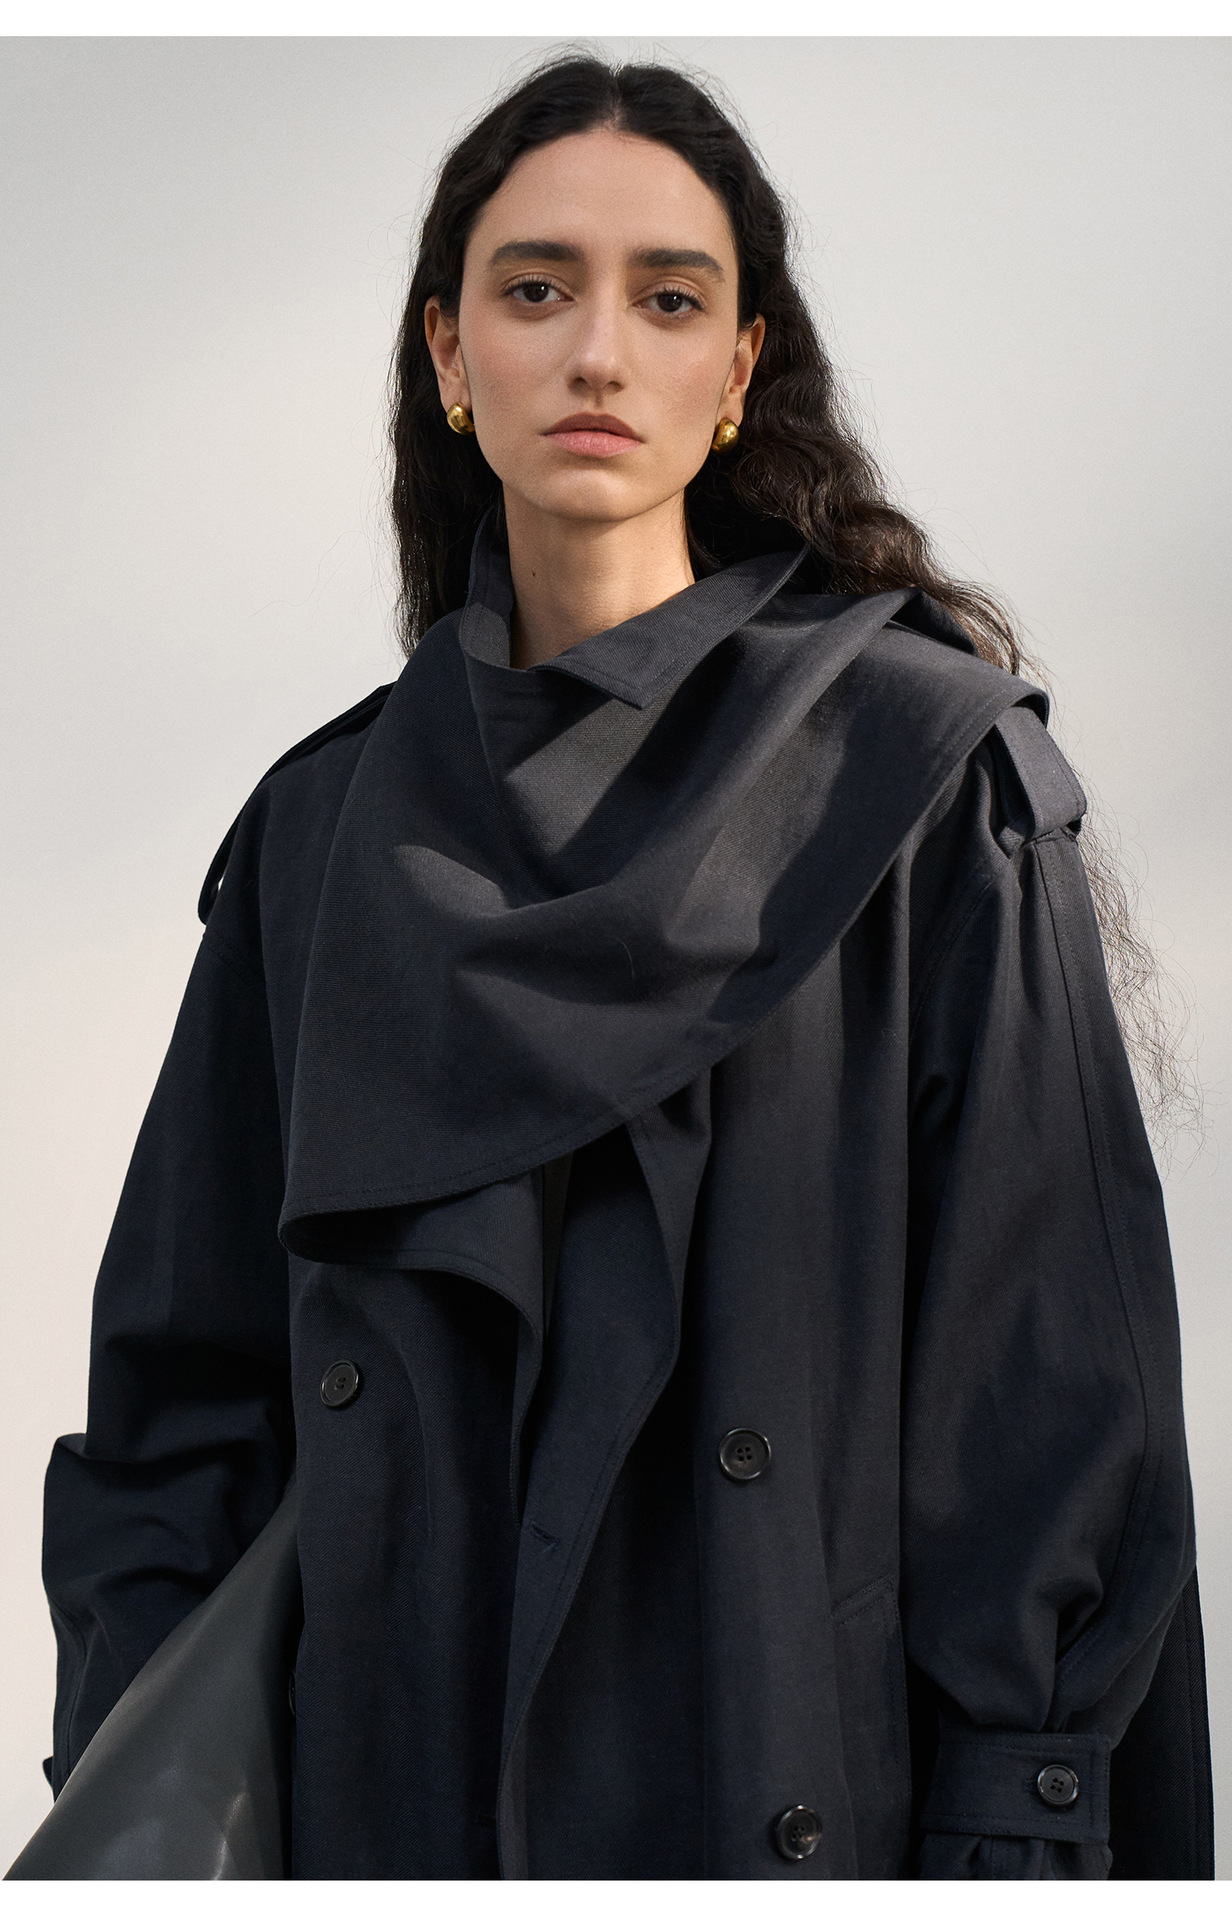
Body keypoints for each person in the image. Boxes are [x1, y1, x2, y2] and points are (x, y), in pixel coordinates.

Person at [39, 56, 1212, 1880]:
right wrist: (157, 1807)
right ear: (449, 356)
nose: (598, 352)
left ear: (739, 372)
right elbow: (178, 1419)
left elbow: (1055, 1418)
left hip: (797, 1810)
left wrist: (1011, 1853)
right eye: (536, 289)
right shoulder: (317, 839)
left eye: (669, 300)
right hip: (392, 1834)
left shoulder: (924, 785)